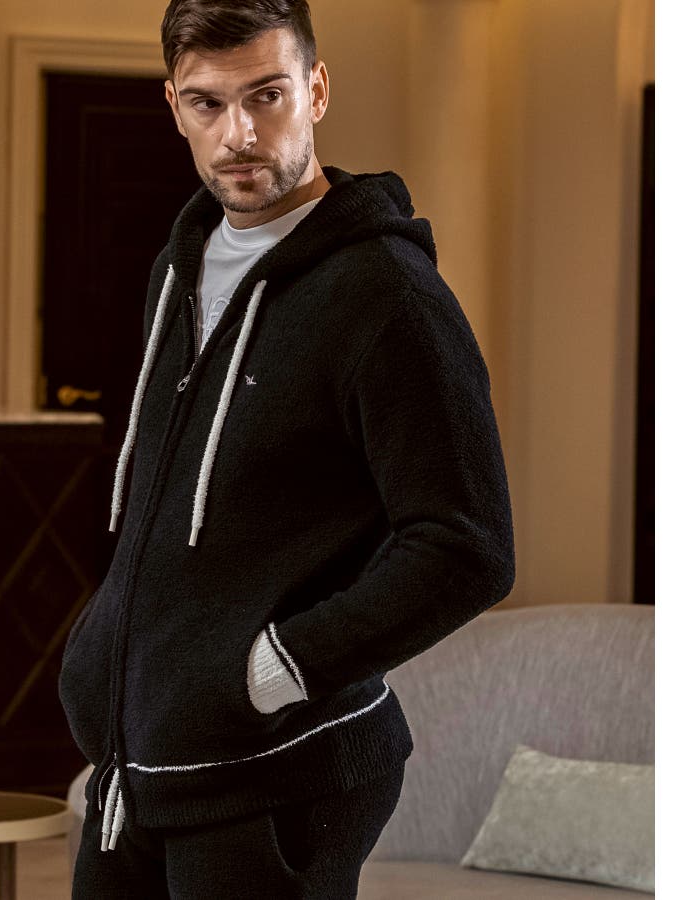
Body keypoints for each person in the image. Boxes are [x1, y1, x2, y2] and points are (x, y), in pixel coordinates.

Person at [59, 1, 515, 896]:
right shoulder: (178, 269)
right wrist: (103, 645)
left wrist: (274, 671)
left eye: (267, 95)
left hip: (278, 777)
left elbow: (468, 548)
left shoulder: (388, 295)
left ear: (317, 90)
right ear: (174, 106)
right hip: (142, 771)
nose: (239, 133)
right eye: (208, 103)